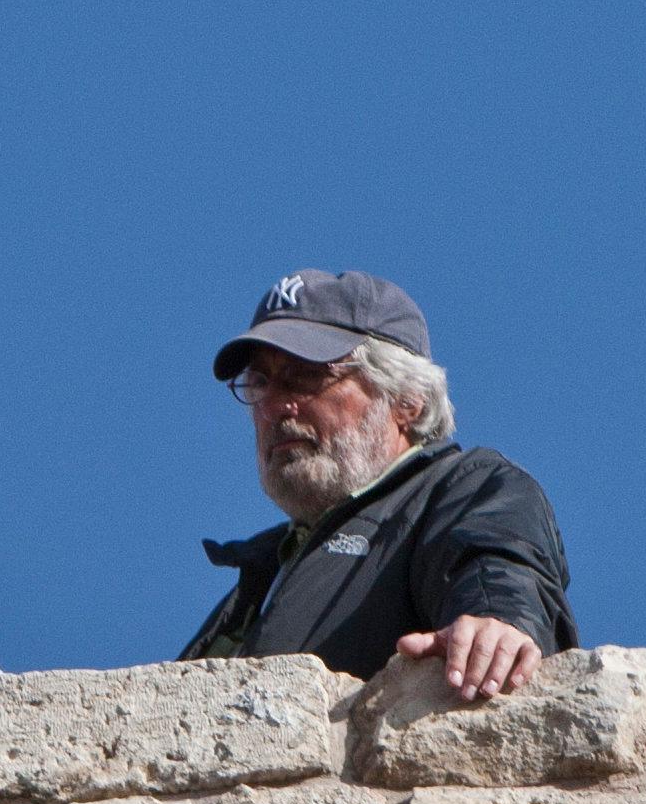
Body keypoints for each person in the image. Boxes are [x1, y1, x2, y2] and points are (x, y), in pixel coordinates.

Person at [181, 269, 575, 700]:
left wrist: (496, 620)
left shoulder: (462, 489)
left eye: (306, 375)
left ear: (407, 400)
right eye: (259, 382)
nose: (274, 406)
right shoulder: (261, 576)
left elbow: (493, 562)